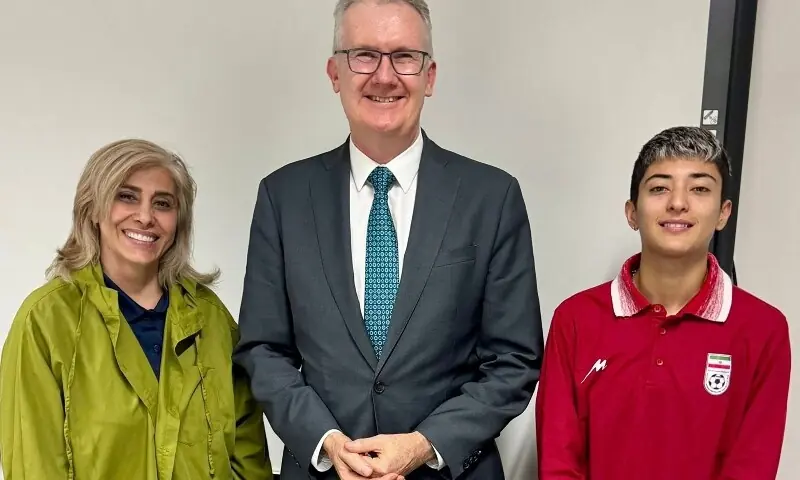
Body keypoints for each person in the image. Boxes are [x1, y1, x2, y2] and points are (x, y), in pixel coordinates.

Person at [233, 1, 544, 479]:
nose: (384, 76)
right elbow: (263, 350)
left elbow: (514, 360)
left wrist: (423, 445)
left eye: (404, 56)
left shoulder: (491, 197)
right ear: (334, 73)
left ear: (429, 76)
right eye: (363, 55)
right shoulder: (283, 196)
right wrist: (328, 443)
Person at [0, 139, 272, 479]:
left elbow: (250, 459)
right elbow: (33, 466)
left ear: (178, 221)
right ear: (92, 208)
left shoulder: (211, 318)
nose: (145, 217)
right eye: (126, 196)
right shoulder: (45, 321)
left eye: (162, 203)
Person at [535, 126, 791, 480]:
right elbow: (558, 462)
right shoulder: (576, 318)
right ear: (632, 212)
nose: (678, 203)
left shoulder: (764, 329)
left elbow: (752, 466)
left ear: (723, 213)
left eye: (699, 188)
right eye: (659, 188)